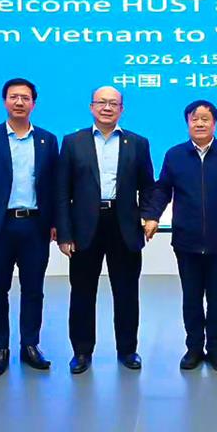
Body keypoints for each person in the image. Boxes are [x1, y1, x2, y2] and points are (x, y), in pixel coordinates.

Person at [142, 100, 217, 373]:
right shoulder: (175, 155)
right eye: (195, 119)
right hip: (186, 241)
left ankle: (216, 350)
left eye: (206, 119)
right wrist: (152, 215)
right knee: (191, 298)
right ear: (187, 123)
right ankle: (194, 348)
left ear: (214, 123)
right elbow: (162, 190)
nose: (200, 123)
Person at [56, 86, 155, 374]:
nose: (107, 108)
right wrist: (65, 233)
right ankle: (81, 352)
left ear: (122, 109)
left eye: (113, 103)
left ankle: (128, 350)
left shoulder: (137, 143)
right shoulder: (73, 142)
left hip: (124, 226)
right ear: (91, 107)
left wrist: (149, 216)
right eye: (101, 102)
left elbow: (148, 186)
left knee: (126, 292)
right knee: (82, 292)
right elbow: (61, 191)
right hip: (85, 226)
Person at [0, 78, 59, 377]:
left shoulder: (47, 140)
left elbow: (54, 187)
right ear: (5, 101)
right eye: (13, 97)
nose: (19, 102)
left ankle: (30, 345)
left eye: (25, 98)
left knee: (34, 290)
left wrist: (56, 222)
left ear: (34, 103)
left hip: (35, 225)